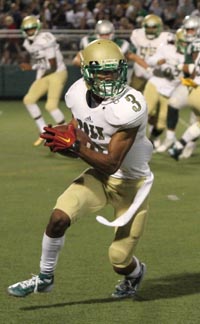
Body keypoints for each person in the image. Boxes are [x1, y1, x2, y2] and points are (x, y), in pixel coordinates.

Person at [7, 39, 154, 299]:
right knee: (58, 218)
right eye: (101, 72)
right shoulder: (76, 93)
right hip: (99, 176)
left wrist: (74, 146)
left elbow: (111, 162)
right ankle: (44, 277)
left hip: (132, 185)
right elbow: (80, 131)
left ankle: (135, 273)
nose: (109, 78)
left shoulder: (130, 106)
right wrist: (65, 141)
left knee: (119, 259)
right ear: (86, 72)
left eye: (114, 71)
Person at [20, 15, 68, 146]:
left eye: (32, 29)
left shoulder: (45, 39)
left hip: (57, 72)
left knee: (51, 106)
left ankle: (68, 133)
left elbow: (53, 66)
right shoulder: (27, 42)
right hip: (44, 73)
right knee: (28, 100)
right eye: (27, 30)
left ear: (38, 28)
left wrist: (32, 67)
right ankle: (42, 129)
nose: (30, 32)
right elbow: (39, 60)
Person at [156, 15, 200, 157]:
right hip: (193, 85)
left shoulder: (193, 45)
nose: (189, 33)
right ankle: (174, 141)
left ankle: (183, 146)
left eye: (191, 30)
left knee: (196, 120)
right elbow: (191, 71)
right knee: (175, 105)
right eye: (187, 30)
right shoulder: (191, 44)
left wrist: (176, 64)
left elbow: (191, 70)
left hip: (192, 86)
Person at [143, 27, 187, 148]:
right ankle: (135, 139)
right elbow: (150, 60)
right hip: (156, 83)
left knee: (162, 124)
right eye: (183, 42)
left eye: (187, 43)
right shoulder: (166, 48)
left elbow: (191, 79)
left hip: (170, 91)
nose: (185, 45)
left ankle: (151, 139)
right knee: (145, 112)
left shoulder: (191, 58)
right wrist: (159, 61)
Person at [72, 19, 149, 71]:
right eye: (102, 35)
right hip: (94, 76)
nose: (105, 37)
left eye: (107, 34)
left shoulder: (120, 44)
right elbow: (76, 60)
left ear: (112, 33)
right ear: (97, 34)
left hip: (113, 77)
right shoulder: (89, 43)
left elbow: (133, 57)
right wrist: (89, 67)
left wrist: (148, 69)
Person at [129, 14, 174, 92]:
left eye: (153, 27)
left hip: (157, 73)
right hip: (140, 71)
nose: (150, 30)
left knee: (156, 97)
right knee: (133, 95)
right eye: (148, 27)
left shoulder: (166, 37)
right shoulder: (137, 34)